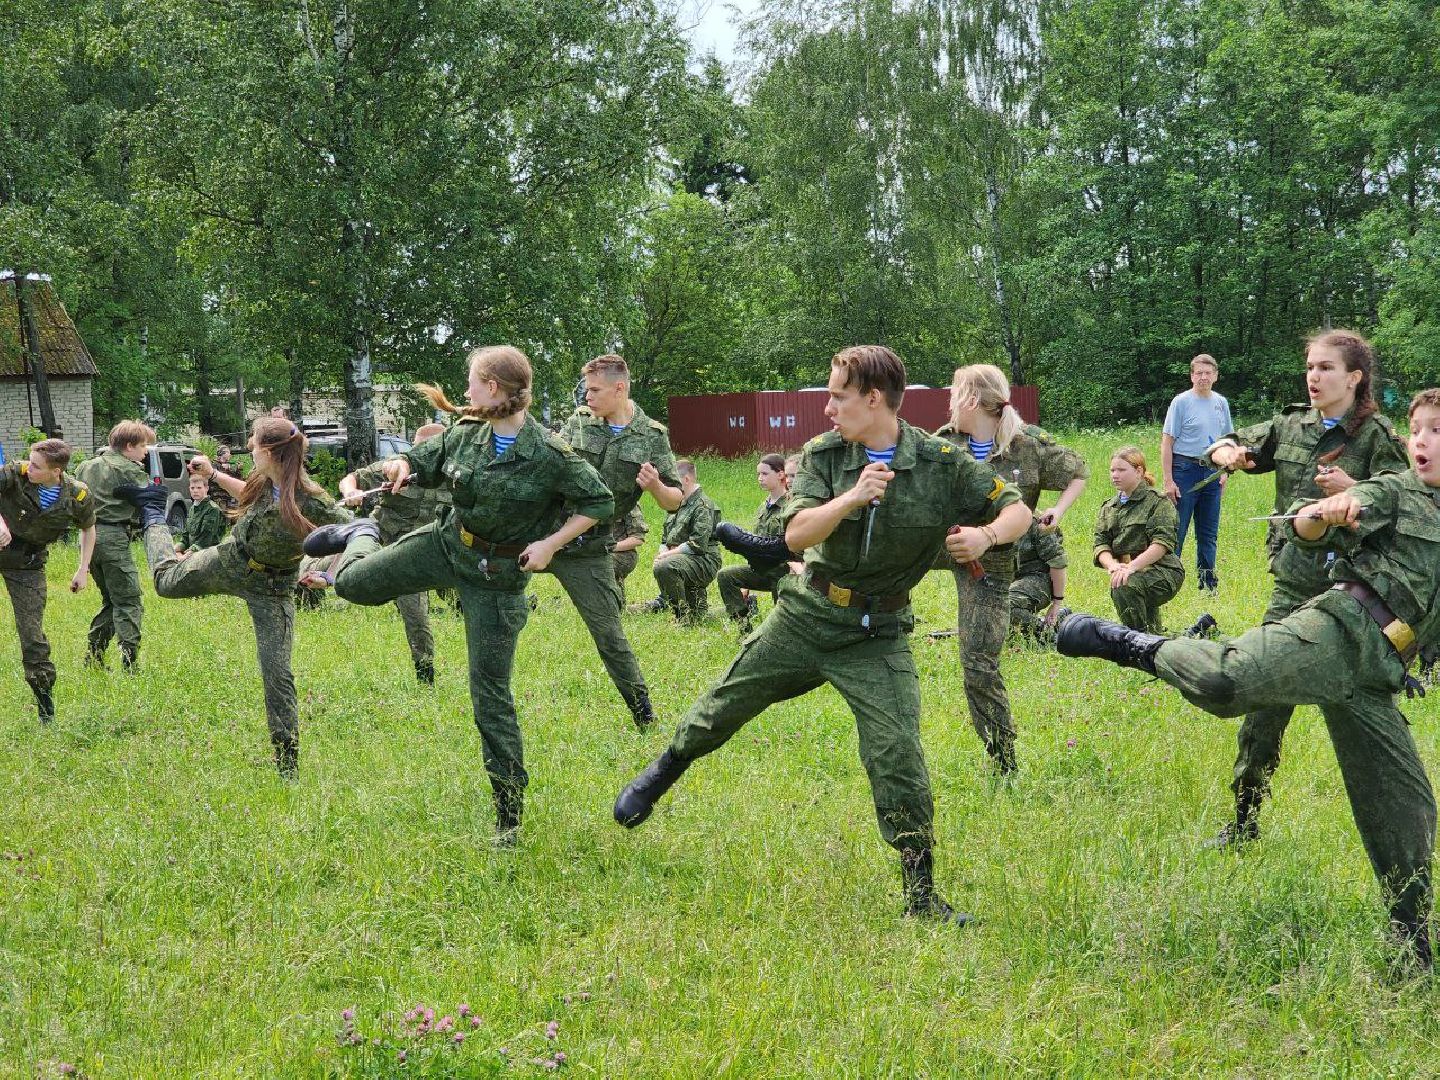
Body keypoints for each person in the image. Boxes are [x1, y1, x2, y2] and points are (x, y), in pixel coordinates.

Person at [613, 345, 1031, 922]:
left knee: (898, 753)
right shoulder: (823, 455)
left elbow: (1015, 509)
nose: (829, 407)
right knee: (723, 705)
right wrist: (854, 496)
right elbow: (796, 536)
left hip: (878, 631)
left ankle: (920, 894)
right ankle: (661, 773)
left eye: (837, 395)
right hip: (808, 616)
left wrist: (987, 539)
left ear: (873, 398)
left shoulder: (940, 461)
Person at [1056, 387, 1440, 972]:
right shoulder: (1396, 489)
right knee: (1225, 683)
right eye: (1417, 429)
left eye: (1435, 432)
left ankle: (1412, 950)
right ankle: (1125, 640)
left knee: (1407, 808)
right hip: (1343, 629)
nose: (1421, 442)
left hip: (1381, 670)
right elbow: (1310, 527)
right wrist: (1323, 512)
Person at [302, 346, 613, 845]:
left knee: (489, 696)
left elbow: (599, 500)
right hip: (447, 546)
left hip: (499, 579)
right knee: (353, 585)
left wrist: (550, 545)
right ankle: (360, 533)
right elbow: (415, 459)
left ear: (492, 386)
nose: (465, 392)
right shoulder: (466, 435)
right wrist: (399, 467)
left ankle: (508, 815)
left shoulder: (551, 454)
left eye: (471, 382)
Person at [1202, 329, 1408, 848]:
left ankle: (1395, 842)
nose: (1314, 377)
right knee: (1262, 699)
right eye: (1310, 367)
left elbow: (1407, 512)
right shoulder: (1291, 423)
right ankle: (1244, 819)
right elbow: (1238, 444)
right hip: (1294, 584)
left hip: (1353, 596)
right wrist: (1226, 450)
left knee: (1363, 717)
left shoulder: (1380, 439)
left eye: (1326, 368)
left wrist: (1355, 492)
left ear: (1354, 377)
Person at [118, 418, 350, 778]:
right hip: (231, 561)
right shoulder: (266, 480)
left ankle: (287, 761)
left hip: (272, 589)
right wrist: (212, 475)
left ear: (269, 452)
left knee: (277, 673)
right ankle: (152, 514)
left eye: (254, 443)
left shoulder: (311, 498)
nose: (249, 448)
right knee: (165, 582)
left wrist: (331, 574)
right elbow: (248, 495)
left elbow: (353, 532)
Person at [934, 364, 1089, 774]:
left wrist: (1058, 507)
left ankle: (1003, 760)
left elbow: (1078, 471)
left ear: (970, 400)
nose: (949, 401)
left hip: (995, 561)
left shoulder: (1029, 443)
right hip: (939, 545)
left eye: (954, 392)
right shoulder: (944, 442)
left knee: (979, 662)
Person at [550, 353, 684, 727]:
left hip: (591, 548)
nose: (587, 396)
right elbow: (546, 463)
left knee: (610, 635)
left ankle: (644, 715)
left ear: (619, 388)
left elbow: (675, 501)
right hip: (545, 530)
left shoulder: (652, 436)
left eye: (594, 390)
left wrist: (655, 485)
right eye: (586, 389)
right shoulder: (578, 422)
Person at [336, 422, 448, 684]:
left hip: (434, 548)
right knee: (414, 610)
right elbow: (352, 478)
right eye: (420, 449)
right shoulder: (397, 468)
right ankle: (425, 672)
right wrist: (351, 492)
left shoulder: (456, 474)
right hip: (387, 542)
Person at [0, 439, 96, 723]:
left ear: (56, 471)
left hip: (27, 564)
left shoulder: (76, 496)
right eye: (30, 462)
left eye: (38, 467)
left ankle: (45, 708)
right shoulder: (14, 474)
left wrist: (83, 568)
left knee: (32, 635)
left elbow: (89, 529)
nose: (30, 468)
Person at [75, 421, 156, 671]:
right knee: (129, 601)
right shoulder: (129, 470)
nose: (146, 452)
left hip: (88, 538)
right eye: (143, 446)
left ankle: (94, 657)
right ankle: (130, 664)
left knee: (111, 600)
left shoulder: (85, 466)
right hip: (113, 537)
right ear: (129, 446)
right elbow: (151, 499)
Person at [1161, 354, 1234, 592]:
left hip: (1212, 472)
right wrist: (1169, 480)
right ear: (1192, 376)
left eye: (1208, 373)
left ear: (1215, 376)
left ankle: (1208, 584)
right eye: (1198, 373)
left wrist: (1225, 471)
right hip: (1184, 470)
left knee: (1208, 533)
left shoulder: (1220, 402)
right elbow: (1167, 443)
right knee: (1177, 531)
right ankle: (1169, 582)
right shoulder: (1181, 402)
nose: (1203, 377)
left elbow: (1227, 440)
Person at [1092, 446, 1184, 632]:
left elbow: (1161, 544)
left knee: (1125, 586)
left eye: (1121, 470)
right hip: (1129, 570)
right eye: (1112, 470)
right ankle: (1157, 637)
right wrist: (1113, 566)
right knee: (1127, 582)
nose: (1115, 475)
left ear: (1139, 471)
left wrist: (1131, 568)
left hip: (1163, 571)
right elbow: (1100, 544)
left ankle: (1138, 643)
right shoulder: (1109, 507)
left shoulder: (1158, 502)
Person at [716, 453, 791, 629]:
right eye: (758, 474)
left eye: (765, 474)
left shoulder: (790, 505)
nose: (760, 478)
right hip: (762, 569)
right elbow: (753, 545)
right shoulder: (763, 506)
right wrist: (746, 583)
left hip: (784, 571)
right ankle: (743, 627)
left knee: (779, 624)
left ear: (781, 474)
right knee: (726, 576)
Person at [643, 459, 720, 623]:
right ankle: (746, 605)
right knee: (699, 617)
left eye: (674, 482)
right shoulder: (675, 504)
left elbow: (698, 545)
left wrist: (667, 556)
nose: (670, 487)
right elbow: (666, 537)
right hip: (682, 561)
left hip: (703, 561)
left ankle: (681, 617)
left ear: (686, 479)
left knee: (664, 567)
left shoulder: (703, 505)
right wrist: (663, 552)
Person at [1008, 519, 1067, 643]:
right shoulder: (987, 520)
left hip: (1039, 578)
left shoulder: (1037, 523)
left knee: (1006, 604)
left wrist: (1056, 604)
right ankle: (1055, 620)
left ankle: (1046, 633)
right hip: (1008, 580)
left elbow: (1057, 561)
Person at [175, 473, 226, 555]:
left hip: (208, 554)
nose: (195, 491)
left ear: (206, 488)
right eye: (192, 488)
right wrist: (180, 545)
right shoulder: (193, 508)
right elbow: (186, 535)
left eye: (199, 488)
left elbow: (206, 540)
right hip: (194, 551)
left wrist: (189, 552)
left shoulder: (212, 509)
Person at [609, 506, 648, 600]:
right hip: (593, 552)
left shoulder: (627, 501)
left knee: (601, 564)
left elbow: (637, 539)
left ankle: (614, 604)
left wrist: (608, 548)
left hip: (622, 553)